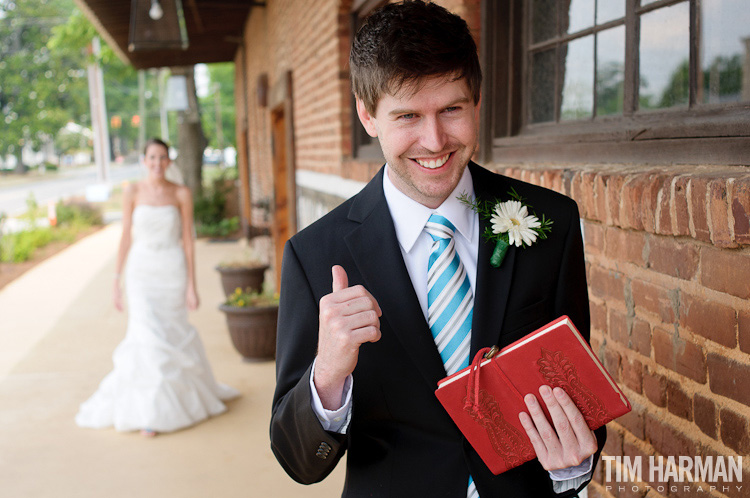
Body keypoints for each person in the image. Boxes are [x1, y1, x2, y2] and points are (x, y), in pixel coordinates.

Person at [270, 2, 606, 496]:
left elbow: (577, 400)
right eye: (408, 115)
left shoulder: (551, 223)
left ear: (477, 99)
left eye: (452, 109)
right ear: (368, 115)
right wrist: (328, 375)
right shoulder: (314, 256)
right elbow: (300, 462)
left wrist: (571, 471)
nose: (434, 141)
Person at [76, 138, 238, 436]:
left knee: (169, 333)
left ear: (169, 161)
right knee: (146, 334)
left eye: (163, 157)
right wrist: (116, 279)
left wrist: (192, 285)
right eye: (152, 157)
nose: (157, 163)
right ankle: (150, 411)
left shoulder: (181, 193)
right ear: (144, 160)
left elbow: (188, 241)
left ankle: (172, 404)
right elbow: (126, 235)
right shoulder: (132, 191)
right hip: (140, 271)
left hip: (171, 269)